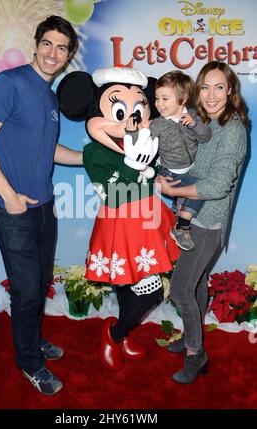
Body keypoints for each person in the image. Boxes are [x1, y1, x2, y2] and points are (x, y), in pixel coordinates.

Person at [0, 15, 82, 395]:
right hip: (12, 209)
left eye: (61, 48)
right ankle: (29, 361)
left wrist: (93, 156)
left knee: (40, 283)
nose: (53, 53)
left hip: (44, 207)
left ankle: (32, 340)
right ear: (36, 43)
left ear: (68, 56)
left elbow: (51, 152)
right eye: (47, 43)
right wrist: (10, 196)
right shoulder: (9, 83)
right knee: (28, 290)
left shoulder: (49, 96)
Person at [57, 66, 180, 371]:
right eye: (121, 109)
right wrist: (137, 167)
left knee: (138, 285)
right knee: (138, 286)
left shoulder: (144, 143)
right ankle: (115, 332)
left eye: (139, 107)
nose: (132, 118)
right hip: (121, 224)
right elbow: (112, 191)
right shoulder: (96, 151)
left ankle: (120, 332)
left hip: (148, 219)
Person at [157, 61, 248, 384]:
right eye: (205, 87)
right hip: (188, 217)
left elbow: (218, 184)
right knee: (193, 283)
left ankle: (197, 354)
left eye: (219, 87)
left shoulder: (234, 130)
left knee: (181, 289)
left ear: (230, 91)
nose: (211, 95)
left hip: (207, 224)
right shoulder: (198, 120)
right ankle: (190, 337)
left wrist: (172, 188)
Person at [125, 70, 212, 251]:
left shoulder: (193, 116)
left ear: (183, 98)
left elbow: (205, 138)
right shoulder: (158, 124)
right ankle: (181, 226)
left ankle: (179, 209)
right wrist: (133, 133)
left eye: (165, 98)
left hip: (191, 169)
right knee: (200, 189)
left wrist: (195, 124)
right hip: (170, 173)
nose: (158, 104)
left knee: (202, 185)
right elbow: (143, 147)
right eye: (157, 98)